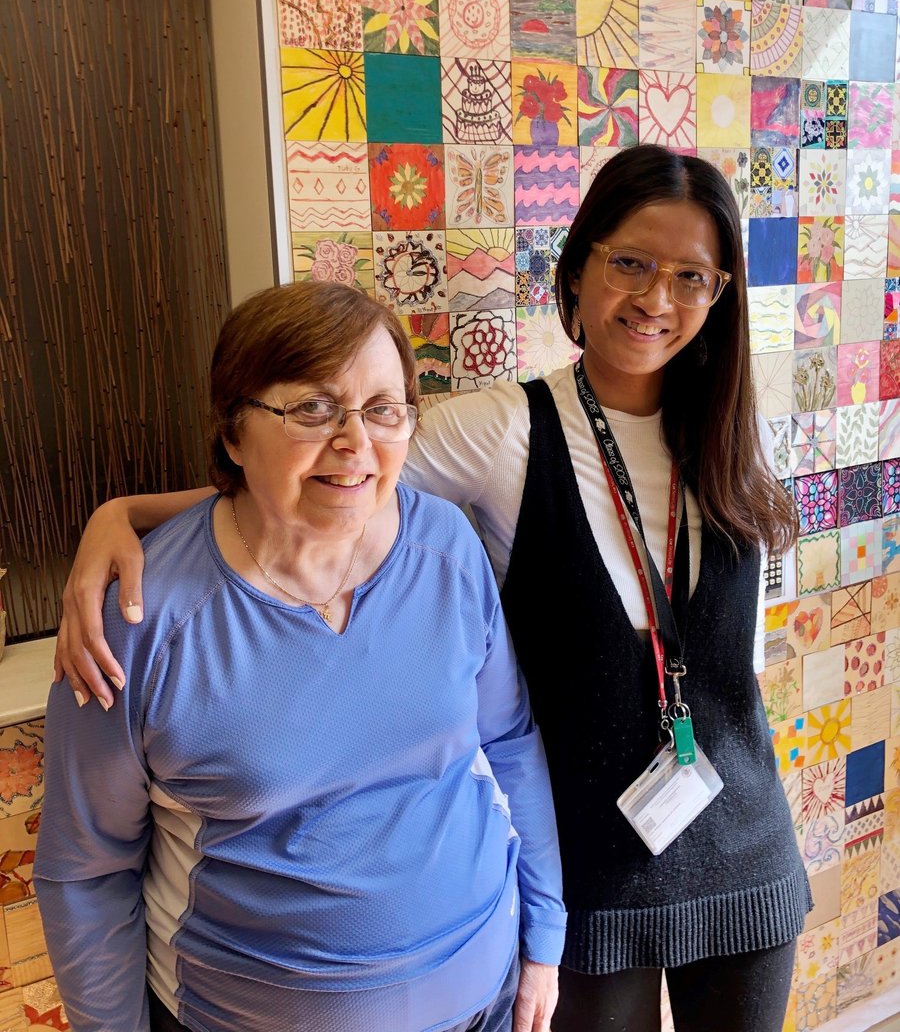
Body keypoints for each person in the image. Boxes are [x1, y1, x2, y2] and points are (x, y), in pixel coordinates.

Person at [54, 145, 810, 1032]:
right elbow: (339, 479)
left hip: (743, 850)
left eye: (693, 277)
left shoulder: (736, 434)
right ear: (577, 270)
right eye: (631, 264)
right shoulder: (501, 431)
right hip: (596, 866)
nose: (656, 299)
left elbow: (738, 658)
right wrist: (129, 515)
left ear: (721, 297)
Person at [34, 281, 565, 1032]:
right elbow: (87, 872)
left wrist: (543, 939)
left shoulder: (446, 547)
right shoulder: (135, 616)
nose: (355, 443)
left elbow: (507, 743)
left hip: (484, 997)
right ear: (232, 433)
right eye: (312, 409)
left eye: (384, 409)